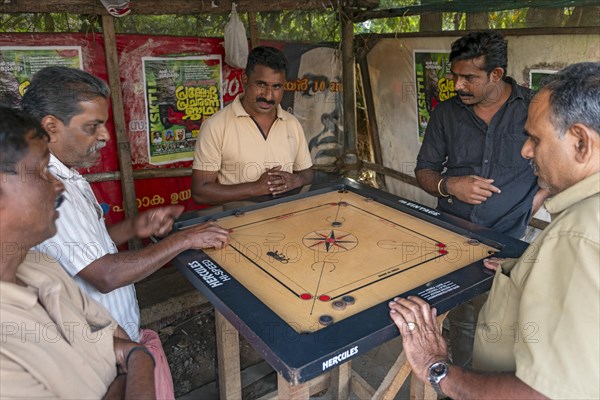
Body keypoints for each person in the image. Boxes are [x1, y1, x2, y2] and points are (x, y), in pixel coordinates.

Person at [389, 62, 600, 399]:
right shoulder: (581, 221)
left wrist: (436, 366)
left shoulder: (578, 235)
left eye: (535, 139)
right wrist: (527, 268)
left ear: (580, 142)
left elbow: (546, 393)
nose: (525, 151)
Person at [22, 66, 231, 399]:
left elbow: (87, 249)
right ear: (51, 127)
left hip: (113, 337)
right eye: (92, 126)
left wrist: (134, 227)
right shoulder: (45, 188)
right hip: (98, 354)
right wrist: (185, 239)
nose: (104, 136)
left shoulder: (68, 177)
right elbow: (103, 274)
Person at [414, 30, 550, 368]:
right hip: (448, 236)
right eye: (455, 76)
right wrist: (449, 185)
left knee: (498, 324)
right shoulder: (446, 114)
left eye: (469, 78)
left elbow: (555, 166)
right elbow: (424, 171)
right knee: (457, 318)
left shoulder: (534, 108)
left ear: (497, 74)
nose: (458, 85)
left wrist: (532, 204)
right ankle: (454, 379)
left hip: (507, 242)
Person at [0, 106, 155, 399]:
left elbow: (128, 346)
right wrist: (134, 362)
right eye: (43, 171)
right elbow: (128, 353)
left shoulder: (41, 267)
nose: (58, 185)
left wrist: (137, 357)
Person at [191, 46, 314, 205]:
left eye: (276, 86)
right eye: (261, 84)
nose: (268, 96)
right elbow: (200, 192)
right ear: (245, 80)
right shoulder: (215, 126)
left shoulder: (292, 123)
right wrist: (255, 188)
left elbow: (307, 173)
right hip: (239, 224)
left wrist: (296, 180)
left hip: (285, 219)